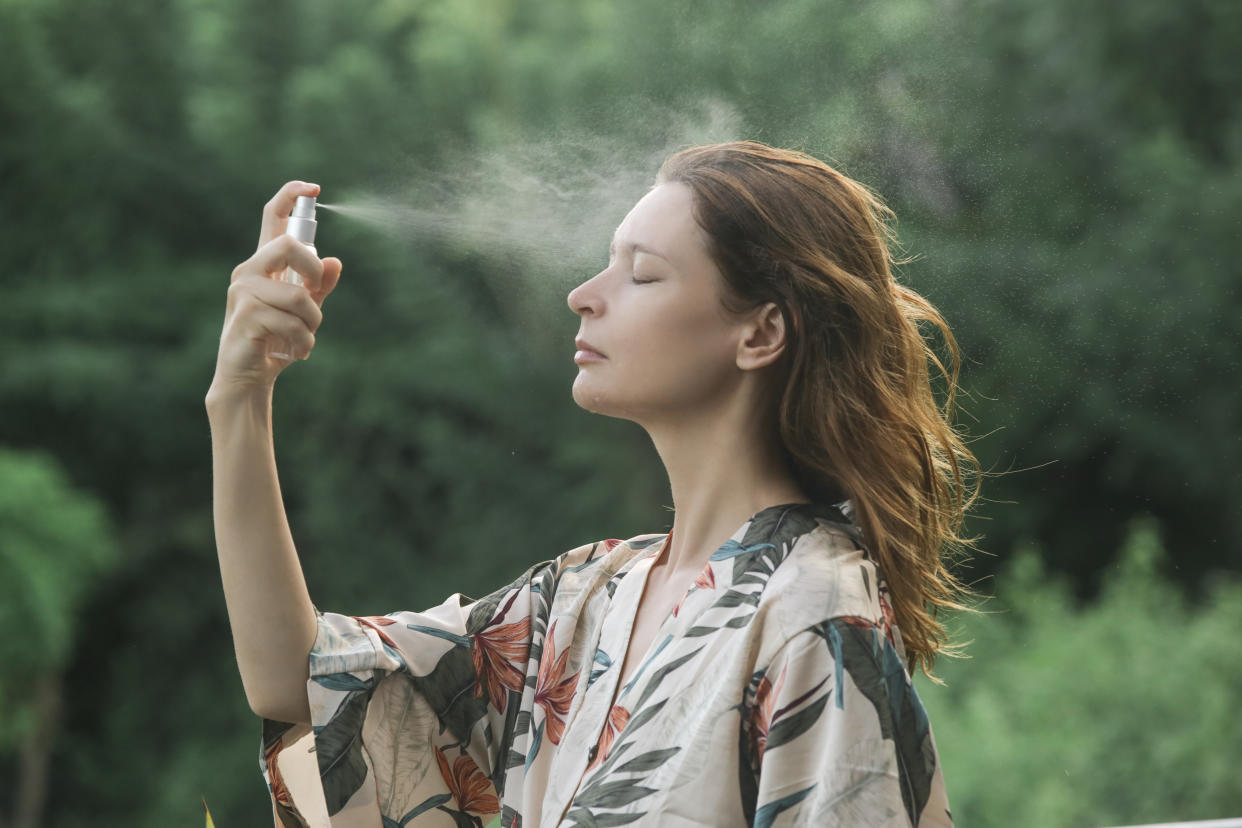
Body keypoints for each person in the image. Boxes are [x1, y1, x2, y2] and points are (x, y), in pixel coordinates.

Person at [206, 141, 979, 827]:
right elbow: (299, 682)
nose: (585, 293)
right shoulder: (582, 601)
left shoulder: (816, 619)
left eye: (642, 274)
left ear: (761, 333)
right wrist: (239, 400)